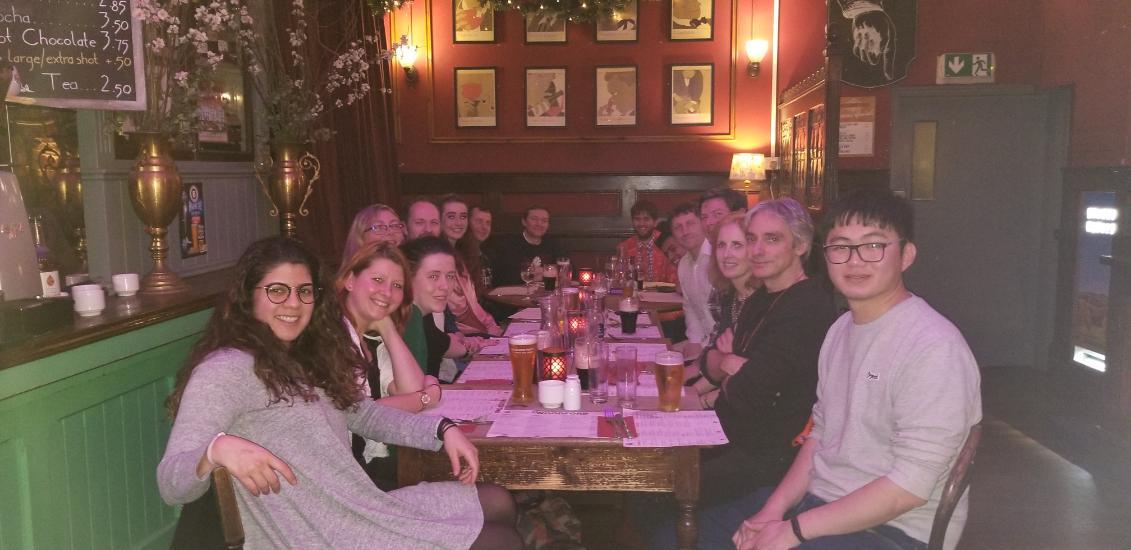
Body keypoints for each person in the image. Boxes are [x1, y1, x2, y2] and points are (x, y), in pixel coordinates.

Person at [157, 236, 520, 549]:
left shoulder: (307, 355)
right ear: (247, 297)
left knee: (499, 502)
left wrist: (441, 430)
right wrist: (216, 450)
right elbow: (172, 483)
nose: (293, 303)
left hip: (354, 505)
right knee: (502, 541)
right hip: (313, 535)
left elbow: (364, 414)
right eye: (277, 290)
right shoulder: (226, 369)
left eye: (304, 291)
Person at [731, 190, 982, 550]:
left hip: (893, 530)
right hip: (820, 505)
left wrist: (793, 530)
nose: (854, 260)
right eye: (840, 247)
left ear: (906, 255)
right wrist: (772, 512)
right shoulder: (840, 329)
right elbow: (820, 434)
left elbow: (909, 488)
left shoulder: (934, 346)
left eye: (873, 245)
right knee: (681, 534)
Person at [652, 201, 836, 549]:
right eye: (752, 239)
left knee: (661, 493)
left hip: (772, 458)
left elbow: (751, 393)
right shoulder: (760, 299)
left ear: (800, 245)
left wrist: (730, 369)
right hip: (733, 434)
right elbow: (717, 366)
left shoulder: (808, 305)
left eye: (772, 239)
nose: (757, 250)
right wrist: (730, 365)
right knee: (651, 468)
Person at [338, 241, 443, 489]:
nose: (387, 292)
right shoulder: (334, 338)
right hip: (346, 477)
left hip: (366, 468)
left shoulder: (373, 339)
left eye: (397, 285)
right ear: (350, 280)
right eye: (377, 280)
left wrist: (387, 328)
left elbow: (409, 389)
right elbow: (360, 414)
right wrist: (427, 397)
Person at [401, 236, 486, 379]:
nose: (445, 286)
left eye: (450, 276)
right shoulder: (406, 323)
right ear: (408, 277)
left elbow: (441, 343)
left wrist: (473, 346)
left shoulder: (423, 314)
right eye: (434, 276)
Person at [438, 195, 502, 336]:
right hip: (457, 334)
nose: (458, 223)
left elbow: (473, 304)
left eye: (463, 217)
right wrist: (488, 331)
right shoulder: (438, 258)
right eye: (451, 216)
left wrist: (491, 325)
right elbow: (457, 312)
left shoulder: (461, 254)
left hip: (475, 328)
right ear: (440, 220)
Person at [669, 201, 712, 359]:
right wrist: (694, 341)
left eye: (690, 224)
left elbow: (724, 318)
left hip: (724, 346)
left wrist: (702, 346)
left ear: (702, 224)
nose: (685, 231)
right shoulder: (684, 264)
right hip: (702, 340)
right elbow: (690, 307)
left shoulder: (718, 259)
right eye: (678, 227)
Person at [486, 205, 566, 287]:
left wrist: (537, 273)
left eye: (544, 221)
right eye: (534, 219)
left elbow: (565, 272)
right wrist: (545, 273)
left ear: (548, 225)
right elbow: (504, 277)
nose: (539, 224)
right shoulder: (508, 245)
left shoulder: (554, 244)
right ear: (524, 222)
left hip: (547, 293)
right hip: (515, 293)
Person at [617, 199, 677, 283]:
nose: (642, 223)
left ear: (655, 222)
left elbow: (675, 279)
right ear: (632, 221)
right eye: (637, 219)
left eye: (646, 219)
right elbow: (619, 279)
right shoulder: (624, 247)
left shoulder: (666, 243)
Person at [342, 204, 406, 268]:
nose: (390, 232)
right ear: (361, 235)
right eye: (379, 227)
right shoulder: (357, 272)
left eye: (395, 225)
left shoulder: (409, 269)